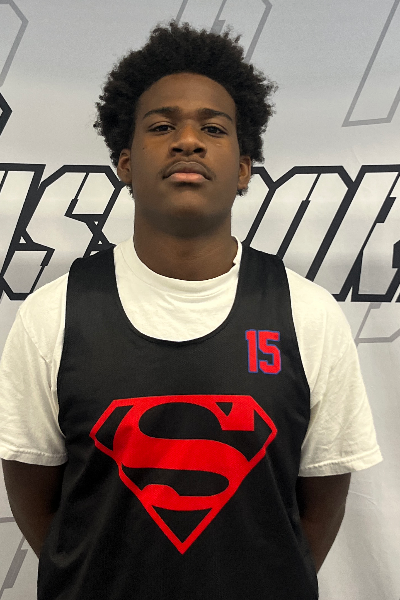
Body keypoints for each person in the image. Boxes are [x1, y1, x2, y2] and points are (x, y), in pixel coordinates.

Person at [0, 20, 382, 600]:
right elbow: (38, 500)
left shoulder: (309, 314)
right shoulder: (53, 315)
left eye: (213, 128)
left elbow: (319, 504)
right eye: (161, 126)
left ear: (244, 168)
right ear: (125, 163)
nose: (187, 141)